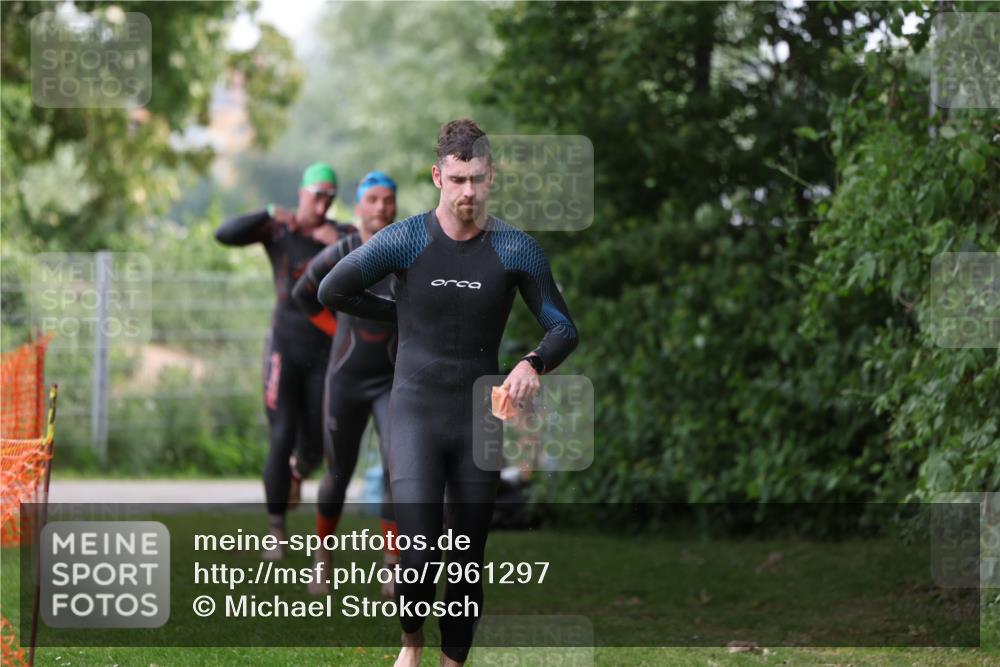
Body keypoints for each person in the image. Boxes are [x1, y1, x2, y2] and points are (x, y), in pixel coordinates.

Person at [318, 120, 578, 667]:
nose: (467, 192)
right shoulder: (407, 238)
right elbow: (332, 288)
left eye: (477, 180)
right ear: (438, 175)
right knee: (418, 548)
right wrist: (397, 314)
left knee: (467, 555)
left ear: (491, 177)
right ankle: (411, 646)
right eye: (457, 179)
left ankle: (451, 662)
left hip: (478, 418)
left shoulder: (516, 249)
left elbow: (562, 327)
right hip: (415, 409)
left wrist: (533, 363)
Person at [215, 162, 355, 560]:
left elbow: (372, 247)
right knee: (280, 435)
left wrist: (336, 242)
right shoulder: (280, 230)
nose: (323, 202)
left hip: (324, 350)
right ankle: (276, 531)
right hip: (284, 348)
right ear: (302, 192)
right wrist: (267, 212)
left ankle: (298, 473)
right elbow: (223, 234)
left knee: (315, 444)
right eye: (318, 194)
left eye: (330, 195)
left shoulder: (341, 236)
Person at [292, 171, 401, 596]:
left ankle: (391, 564)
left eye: (388, 200)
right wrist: (335, 329)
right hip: (346, 378)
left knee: (397, 468)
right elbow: (305, 293)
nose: (381, 208)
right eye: (372, 199)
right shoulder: (345, 251)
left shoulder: (407, 251)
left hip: (391, 380)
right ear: (359, 207)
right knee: (337, 471)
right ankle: (322, 557)